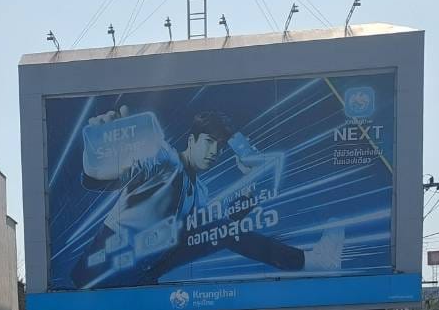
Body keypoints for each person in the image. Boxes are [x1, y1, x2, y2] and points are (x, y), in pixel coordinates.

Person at [68, 106, 342, 289]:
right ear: (191, 140)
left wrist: (249, 183)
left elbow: (224, 227)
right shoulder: (165, 157)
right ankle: (308, 262)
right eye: (209, 142)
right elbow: (126, 171)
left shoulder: (200, 190)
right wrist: (96, 166)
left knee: (219, 229)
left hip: (140, 274)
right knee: (218, 229)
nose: (214, 152)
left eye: (220, 147)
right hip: (103, 268)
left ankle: (309, 262)